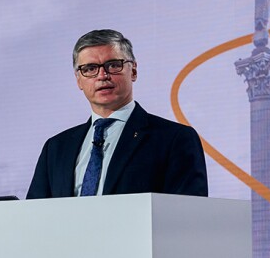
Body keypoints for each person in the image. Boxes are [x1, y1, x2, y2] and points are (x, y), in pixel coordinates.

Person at [25, 29, 208, 199]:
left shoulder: (174, 139)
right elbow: (32, 217)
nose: (102, 75)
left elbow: (187, 215)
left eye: (113, 65)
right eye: (89, 69)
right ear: (78, 80)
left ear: (133, 71)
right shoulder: (56, 148)